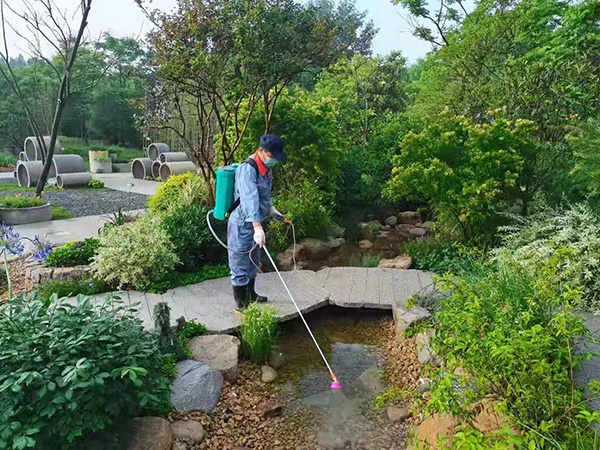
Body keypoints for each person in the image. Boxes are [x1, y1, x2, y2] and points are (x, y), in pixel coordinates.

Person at [228, 134, 287, 311]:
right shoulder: (247, 170)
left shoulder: (266, 169)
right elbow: (249, 199)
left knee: (254, 260)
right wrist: (257, 227)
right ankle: (241, 303)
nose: (274, 161)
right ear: (261, 150)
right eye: (272, 157)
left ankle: (251, 295)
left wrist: (271, 209)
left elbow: (263, 195)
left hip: (256, 223)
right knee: (239, 262)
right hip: (241, 224)